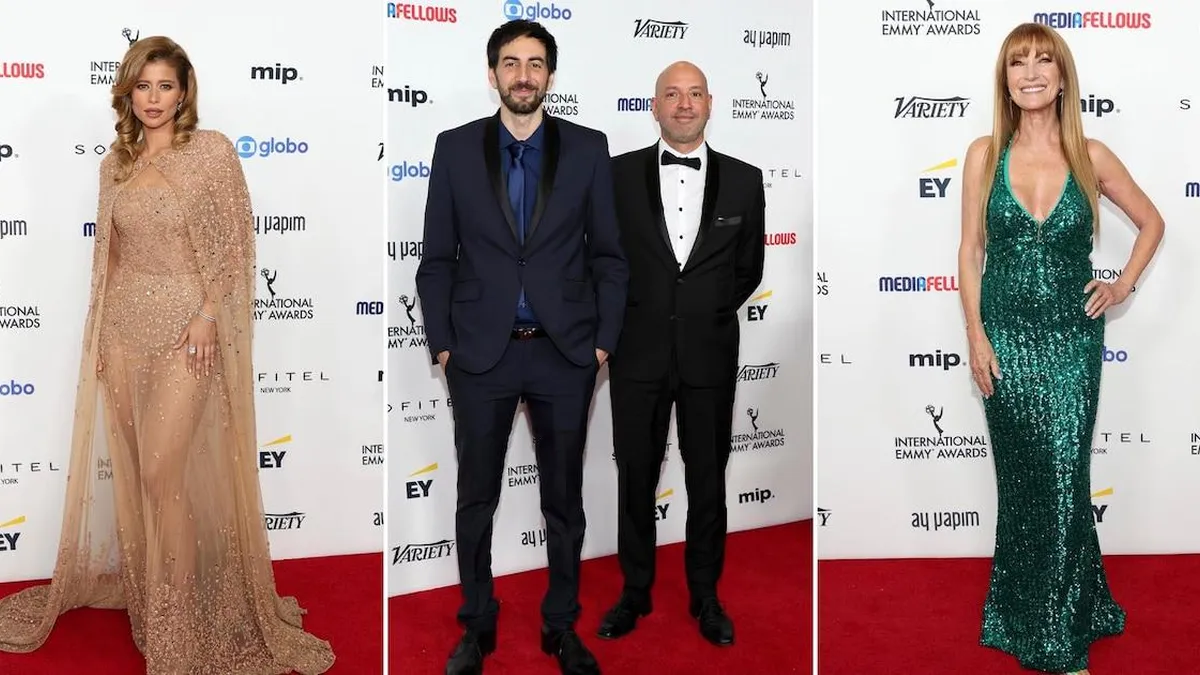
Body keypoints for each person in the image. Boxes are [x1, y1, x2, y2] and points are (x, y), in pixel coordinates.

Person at [0, 37, 335, 674]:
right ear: (127, 92)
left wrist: (208, 314)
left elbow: (235, 246)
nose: (154, 99)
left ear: (185, 93)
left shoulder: (210, 155)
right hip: (124, 331)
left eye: (166, 86)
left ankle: (182, 628)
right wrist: (100, 339)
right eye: (143, 86)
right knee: (139, 472)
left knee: (162, 473)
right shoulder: (115, 164)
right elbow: (111, 260)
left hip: (188, 333)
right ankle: (157, 605)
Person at [414, 19, 628, 675]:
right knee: (475, 497)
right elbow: (435, 261)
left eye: (536, 63)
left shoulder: (590, 149)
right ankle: (477, 625)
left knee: (564, 500)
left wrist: (600, 347)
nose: (524, 74)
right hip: (480, 356)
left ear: (551, 76)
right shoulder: (453, 148)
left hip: (565, 355)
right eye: (511, 63)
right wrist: (444, 347)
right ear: (492, 73)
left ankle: (561, 625)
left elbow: (611, 259)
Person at [957, 22, 1163, 675]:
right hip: (1006, 337)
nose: (1032, 72)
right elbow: (969, 251)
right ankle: (1043, 608)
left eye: (1044, 60)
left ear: (1063, 75)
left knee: (1064, 476)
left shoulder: (1091, 154)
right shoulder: (983, 154)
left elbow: (1153, 220)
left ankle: (1055, 634)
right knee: (1026, 485)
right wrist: (976, 336)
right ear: (1006, 79)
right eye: (1019, 63)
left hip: (1072, 339)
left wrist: (1123, 283)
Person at [597, 61, 765, 648]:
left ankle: (705, 596)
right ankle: (634, 592)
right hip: (636, 354)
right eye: (673, 94)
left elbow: (748, 271)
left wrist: (704, 313)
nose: (684, 104)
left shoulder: (746, 180)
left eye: (694, 94)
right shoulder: (616, 176)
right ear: (655, 105)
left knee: (708, 481)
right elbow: (603, 263)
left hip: (709, 356)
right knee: (635, 477)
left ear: (711, 103)